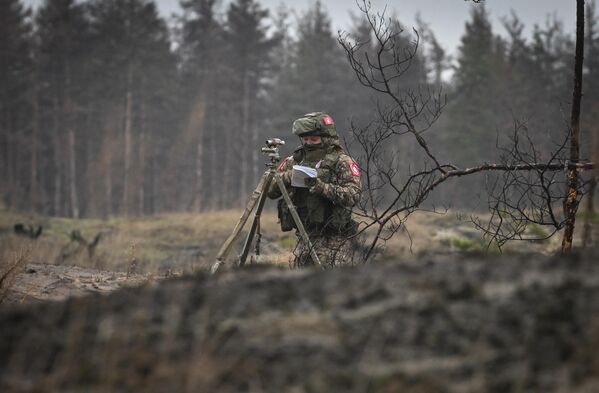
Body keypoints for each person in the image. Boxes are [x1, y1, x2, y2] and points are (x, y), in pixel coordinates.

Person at [267, 112, 361, 268]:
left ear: (326, 138)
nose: (309, 143)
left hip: (333, 239)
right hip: (303, 235)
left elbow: (353, 195)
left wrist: (322, 188)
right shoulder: (295, 160)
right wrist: (288, 177)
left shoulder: (342, 161)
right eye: (305, 139)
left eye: (314, 139)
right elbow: (270, 191)